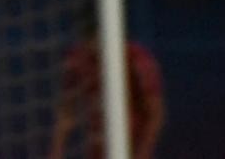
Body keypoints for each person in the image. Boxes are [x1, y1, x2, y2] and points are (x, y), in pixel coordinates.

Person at [48, 22, 165, 159]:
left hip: (131, 145)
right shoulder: (78, 60)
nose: (92, 46)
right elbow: (67, 110)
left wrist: (143, 154)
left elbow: (155, 114)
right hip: (97, 146)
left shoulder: (137, 60)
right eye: (88, 40)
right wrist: (56, 152)